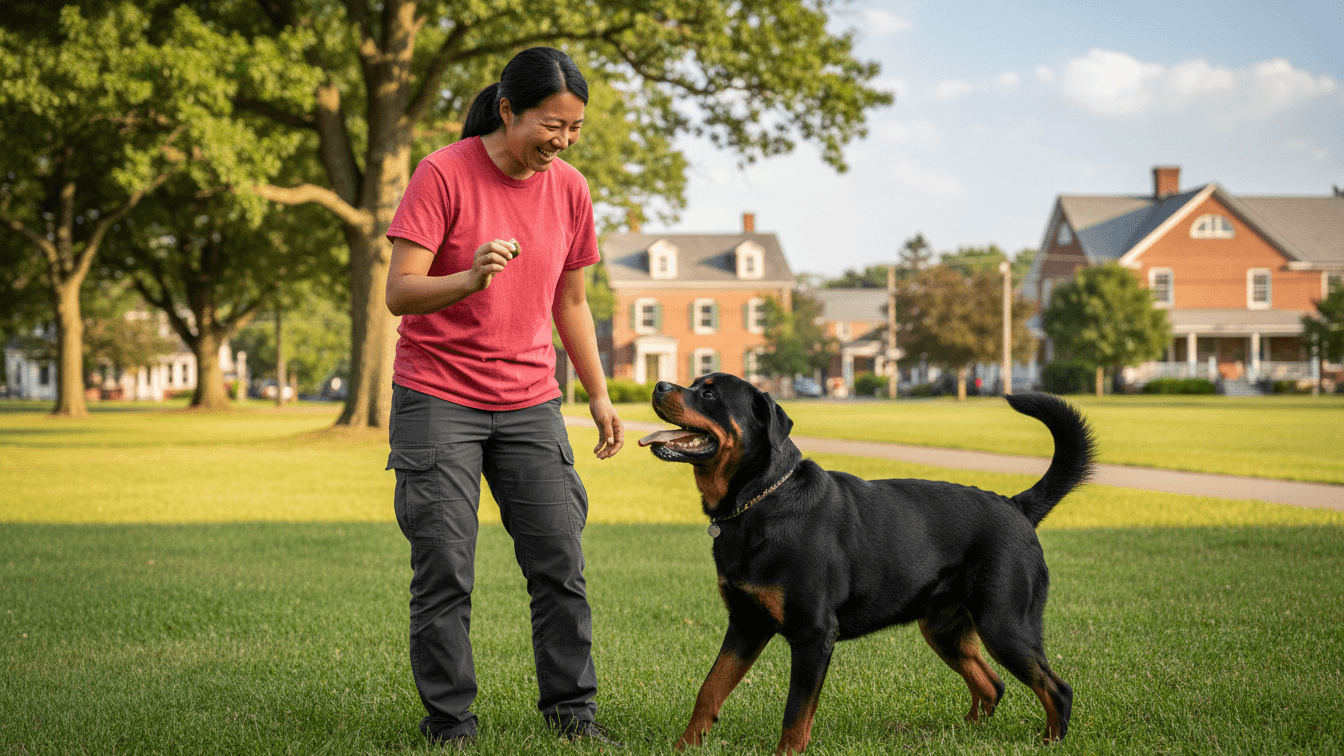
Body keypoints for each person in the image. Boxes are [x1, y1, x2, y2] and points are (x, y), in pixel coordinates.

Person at [383, 47, 624, 749]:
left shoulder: (570, 188)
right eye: (553, 124)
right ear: (509, 109)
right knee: (446, 568)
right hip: (438, 394)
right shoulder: (443, 172)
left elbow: (571, 301)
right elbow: (400, 291)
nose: (563, 140)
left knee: (560, 563)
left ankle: (572, 715)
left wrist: (600, 396)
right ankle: (451, 724)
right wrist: (468, 278)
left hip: (530, 400)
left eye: (575, 128)